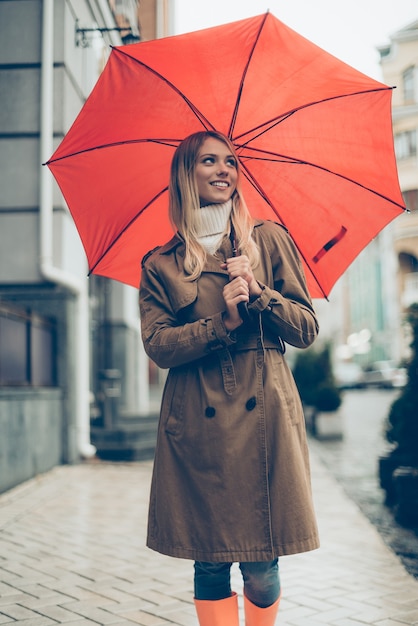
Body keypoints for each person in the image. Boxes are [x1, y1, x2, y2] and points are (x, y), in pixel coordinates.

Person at [139, 130, 320, 626]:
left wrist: (260, 292)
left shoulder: (267, 238)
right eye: (209, 161)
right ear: (186, 174)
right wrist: (221, 325)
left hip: (264, 404)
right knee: (210, 560)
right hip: (197, 413)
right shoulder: (161, 263)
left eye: (231, 162)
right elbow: (157, 346)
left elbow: (305, 329)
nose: (224, 170)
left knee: (262, 563)